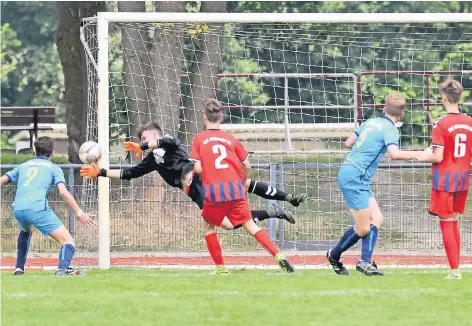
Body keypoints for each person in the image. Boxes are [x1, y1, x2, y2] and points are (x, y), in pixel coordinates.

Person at [80, 124, 307, 231]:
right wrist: (99, 172)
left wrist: (142, 145)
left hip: (205, 176)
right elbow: (129, 173)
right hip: (196, 192)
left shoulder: (168, 143)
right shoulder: (151, 161)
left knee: (244, 183)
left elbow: (169, 141)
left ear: (154, 136)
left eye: (146, 136)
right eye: (142, 138)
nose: (142, 139)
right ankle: (271, 212)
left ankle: (288, 197)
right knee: (228, 224)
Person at [189, 98, 295, 273]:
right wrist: (242, 180)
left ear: (204, 117)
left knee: (208, 227)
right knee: (251, 226)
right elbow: (247, 165)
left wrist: (209, 168)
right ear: (221, 116)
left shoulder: (199, 139)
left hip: (214, 191)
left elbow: (198, 168)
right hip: (235, 189)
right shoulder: (231, 139)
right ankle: (279, 256)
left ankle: (221, 268)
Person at [327, 94, 421, 276]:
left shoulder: (370, 122)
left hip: (356, 175)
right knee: (363, 227)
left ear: (384, 108)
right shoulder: (391, 130)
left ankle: (364, 261)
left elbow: (349, 143)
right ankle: (334, 255)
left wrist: (377, 149)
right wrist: (420, 154)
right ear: (402, 114)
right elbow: (395, 154)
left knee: (376, 218)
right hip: (355, 176)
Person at [1, 137, 96, 276]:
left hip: (18, 209)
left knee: (26, 229)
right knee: (68, 240)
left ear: (35, 152)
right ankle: (62, 269)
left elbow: (3, 179)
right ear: (52, 153)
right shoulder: (53, 168)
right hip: (37, 209)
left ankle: (19, 268)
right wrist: (80, 213)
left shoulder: (23, 165)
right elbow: (63, 192)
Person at [416, 79, 471, 280]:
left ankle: (455, 271)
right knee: (454, 221)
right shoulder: (469, 121)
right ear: (460, 97)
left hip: (445, 179)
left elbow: (437, 156)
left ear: (444, 98)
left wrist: (421, 155)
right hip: (463, 177)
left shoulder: (441, 123)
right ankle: (456, 268)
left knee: (447, 222)